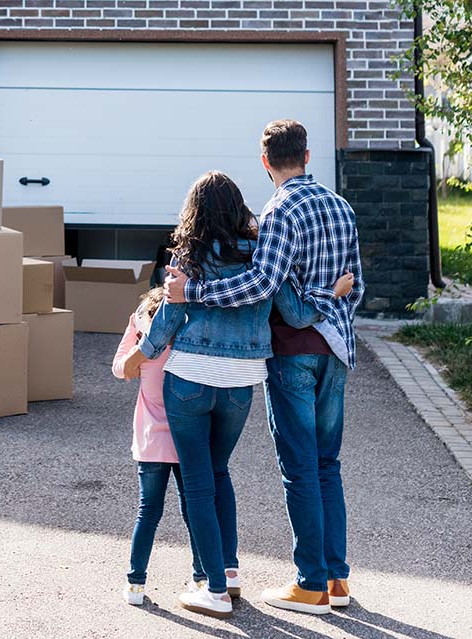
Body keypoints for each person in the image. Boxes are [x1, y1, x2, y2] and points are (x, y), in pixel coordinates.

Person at [122, 171, 354, 619]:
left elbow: (169, 317)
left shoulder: (188, 257)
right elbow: (298, 313)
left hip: (189, 379)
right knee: (219, 472)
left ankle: (214, 591)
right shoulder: (262, 254)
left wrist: (140, 354)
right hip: (240, 385)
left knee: (198, 483)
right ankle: (227, 571)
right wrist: (332, 290)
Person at [111, 288, 205, 607]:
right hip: (185, 436)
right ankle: (201, 576)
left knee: (147, 512)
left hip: (151, 439)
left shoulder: (143, 340)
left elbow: (120, 368)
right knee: (193, 509)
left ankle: (135, 583)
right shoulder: (185, 338)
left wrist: (136, 325)